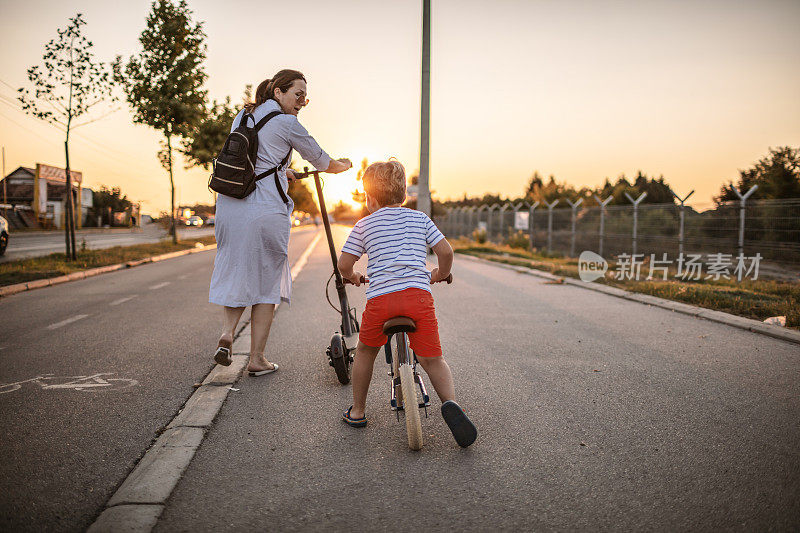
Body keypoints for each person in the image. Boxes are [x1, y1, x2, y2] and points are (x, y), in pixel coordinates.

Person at [209, 69, 352, 375]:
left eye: (306, 97)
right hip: (263, 210)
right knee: (267, 283)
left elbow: (254, 159)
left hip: (230, 206)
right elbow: (321, 160)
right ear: (278, 92)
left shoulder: (243, 117)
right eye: (298, 94)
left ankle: (227, 333)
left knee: (237, 270)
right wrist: (342, 165)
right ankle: (257, 358)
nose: (302, 101)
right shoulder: (287, 123)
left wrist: (280, 170)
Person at [337, 160, 477, 447]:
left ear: (370, 198)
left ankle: (358, 411)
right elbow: (445, 252)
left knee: (365, 351)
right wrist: (440, 274)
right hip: (418, 297)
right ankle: (451, 403)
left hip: (381, 300)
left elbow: (344, 264)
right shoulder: (419, 218)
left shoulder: (364, 224)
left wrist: (352, 277)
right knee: (432, 358)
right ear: (403, 196)